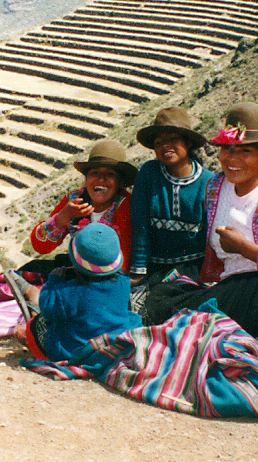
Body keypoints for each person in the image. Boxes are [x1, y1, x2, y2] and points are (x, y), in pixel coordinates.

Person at [143, 103, 258, 342]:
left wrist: (245, 249)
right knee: (163, 298)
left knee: (188, 327)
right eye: (227, 149)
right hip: (231, 289)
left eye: (245, 152)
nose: (233, 159)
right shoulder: (216, 188)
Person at [18, 223, 142, 362]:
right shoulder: (124, 283)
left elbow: (47, 310)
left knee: (35, 326)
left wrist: (53, 280)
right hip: (114, 341)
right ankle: (33, 301)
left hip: (75, 350)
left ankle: (32, 309)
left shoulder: (70, 292)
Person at [128, 107, 212, 287]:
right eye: (158, 143)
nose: (165, 146)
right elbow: (140, 225)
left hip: (194, 267)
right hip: (155, 266)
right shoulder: (148, 173)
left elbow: (211, 236)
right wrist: (138, 270)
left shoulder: (208, 182)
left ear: (188, 142)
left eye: (173, 139)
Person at [26, 139, 136, 272]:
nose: (101, 179)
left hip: (108, 274)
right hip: (77, 267)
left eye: (110, 174)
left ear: (120, 182)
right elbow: (40, 247)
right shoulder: (73, 200)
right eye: (94, 173)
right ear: (86, 178)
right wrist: (63, 217)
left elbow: (123, 262)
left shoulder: (126, 205)